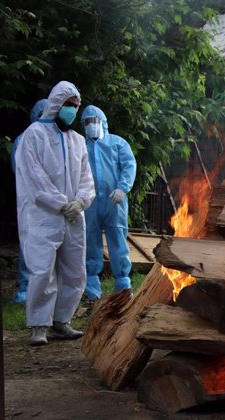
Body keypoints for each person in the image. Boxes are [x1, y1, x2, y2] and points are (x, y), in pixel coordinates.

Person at [14, 81, 95, 346]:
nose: (72, 110)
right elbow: (34, 178)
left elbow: (86, 178)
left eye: (75, 106)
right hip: (43, 216)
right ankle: (39, 325)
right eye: (68, 105)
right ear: (55, 104)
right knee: (42, 269)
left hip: (73, 215)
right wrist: (61, 203)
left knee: (74, 270)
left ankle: (62, 321)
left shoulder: (78, 141)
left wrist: (81, 202)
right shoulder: (34, 135)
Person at [80, 105, 137, 300]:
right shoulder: (80, 146)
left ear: (102, 122)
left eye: (94, 121)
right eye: (87, 122)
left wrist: (123, 187)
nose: (91, 125)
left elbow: (129, 165)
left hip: (115, 202)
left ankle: (123, 285)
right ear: (83, 125)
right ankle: (91, 288)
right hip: (90, 203)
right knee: (90, 240)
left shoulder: (117, 143)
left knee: (118, 240)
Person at [10, 98, 48, 303]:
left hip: (54, 206)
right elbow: (21, 171)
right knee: (29, 244)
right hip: (31, 203)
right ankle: (26, 288)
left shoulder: (58, 139)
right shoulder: (23, 139)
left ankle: (47, 293)